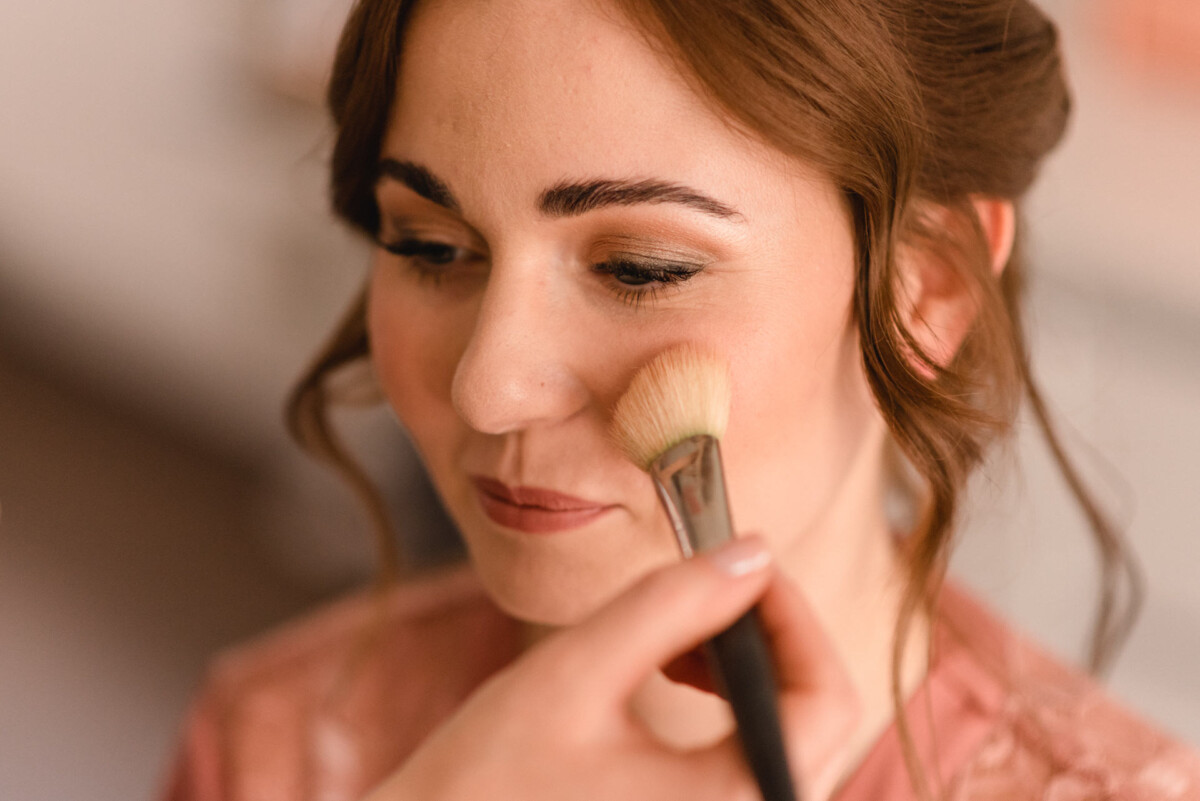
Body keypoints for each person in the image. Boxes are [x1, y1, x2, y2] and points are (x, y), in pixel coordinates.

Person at [160, 0, 1200, 799]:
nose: (490, 384)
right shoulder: (274, 744)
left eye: (643, 269)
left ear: (926, 287)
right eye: (428, 247)